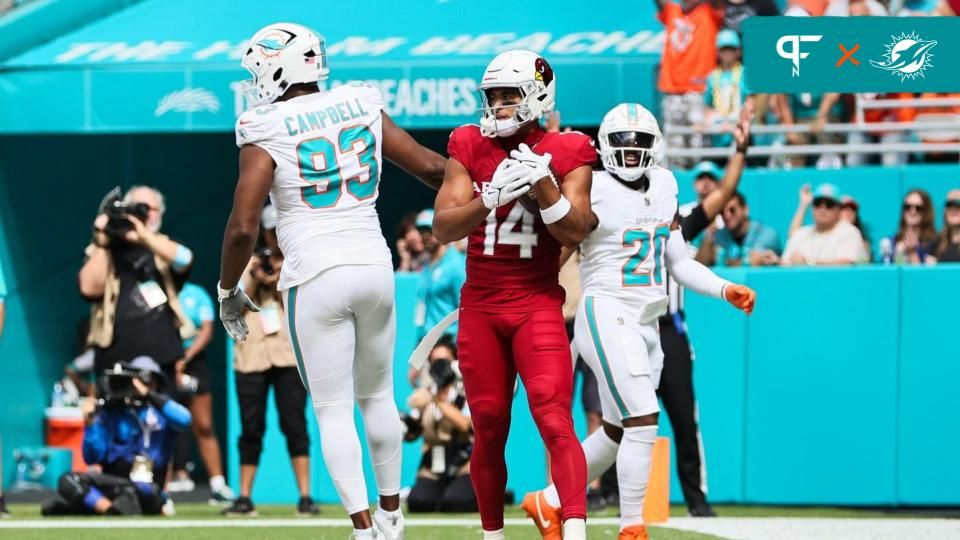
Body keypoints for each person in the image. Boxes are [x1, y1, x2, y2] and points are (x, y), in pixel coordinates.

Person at [216, 22, 446, 540]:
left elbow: (243, 227)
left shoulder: (264, 124)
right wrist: (487, 193)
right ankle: (392, 516)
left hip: (315, 273)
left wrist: (228, 289)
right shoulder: (359, 100)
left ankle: (365, 529)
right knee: (379, 396)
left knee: (334, 408)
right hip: (373, 264)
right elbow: (432, 168)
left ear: (277, 69)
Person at [523, 103, 756, 540]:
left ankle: (549, 500)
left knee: (616, 431)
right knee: (644, 417)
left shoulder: (666, 184)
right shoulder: (589, 184)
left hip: (650, 319)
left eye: (639, 144)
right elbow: (556, 233)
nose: (630, 153)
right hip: (605, 309)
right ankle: (633, 528)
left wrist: (724, 288)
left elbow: (678, 262)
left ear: (655, 147)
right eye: (622, 144)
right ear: (605, 147)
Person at [432, 50, 597, 540]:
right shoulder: (468, 143)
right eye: (494, 97)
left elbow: (577, 230)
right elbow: (442, 227)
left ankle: (575, 531)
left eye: (510, 96)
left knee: (553, 414)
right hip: (481, 305)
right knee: (488, 422)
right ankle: (492, 535)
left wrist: (544, 186)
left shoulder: (569, 149)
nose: (499, 106)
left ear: (539, 96)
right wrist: (491, 198)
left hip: (536, 301)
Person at [223, 204, 318, 517]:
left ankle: (305, 497)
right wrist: (254, 275)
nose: (275, 235)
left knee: (295, 424)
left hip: (288, 356)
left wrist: (279, 278)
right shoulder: (246, 262)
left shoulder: (297, 261)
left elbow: (306, 303)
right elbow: (232, 302)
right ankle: (245, 496)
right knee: (251, 427)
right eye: (270, 229)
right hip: (251, 356)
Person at [41, 357, 191, 516]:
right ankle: (110, 510)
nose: (137, 385)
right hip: (114, 482)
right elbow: (92, 457)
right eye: (134, 380)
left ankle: (88, 507)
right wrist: (90, 423)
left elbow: (185, 419)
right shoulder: (110, 414)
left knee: (139, 490)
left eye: (145, 379)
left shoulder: (162, 413)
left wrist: (148, 394)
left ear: (155, 382)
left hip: (147, 486)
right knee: (69, 481)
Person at [79, 186, 195, 381]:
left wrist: (142, 236)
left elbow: (186, 258)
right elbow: (88, 289)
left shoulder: (164, 246)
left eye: (151, 209)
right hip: (113, 360)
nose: (145, 214)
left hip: (162, 361)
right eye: (139, 208)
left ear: (161, 213)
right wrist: (104, 237)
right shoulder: (105, 249)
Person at [167, 280, 235, 503]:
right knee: (158, 425)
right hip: (163, 362)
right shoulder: (153, 291)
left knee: (204, 425)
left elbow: (207, 330)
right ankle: (159, 487)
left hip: (193, 363)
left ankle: (218, 485)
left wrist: (185, 359)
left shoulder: (196, 293)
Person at [404, 342, 477, 514]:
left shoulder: (467, 391)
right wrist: (405, 424)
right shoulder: (424, 393)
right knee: (419, 502)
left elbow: (466, 425)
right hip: (434, 465)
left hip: (463, 463)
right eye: (435, 360)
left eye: (444, 360)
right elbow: (412, 433)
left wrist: (435, 400)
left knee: (455, 502)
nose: (439, 366)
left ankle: (494, 493)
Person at [654, 0, 724, 168]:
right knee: (673, 145)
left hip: (698, 91)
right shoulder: (673, 10)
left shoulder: (708, 11)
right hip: (672, 91)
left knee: (697, 144)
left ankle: (699, 178)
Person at [414, 208, 466, 345]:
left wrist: (454, 346)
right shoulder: (426, 265)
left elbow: (466, 309)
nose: (425, 236)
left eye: (429, 230)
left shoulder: (456, 264)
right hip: (426, 344)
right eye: (421, 232)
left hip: (448, 345)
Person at [781, 183, 868, 266]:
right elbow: (785, 262)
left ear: (839, 209)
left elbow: (846, 263)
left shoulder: (850, 232)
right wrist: (774, 261)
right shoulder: (801, 233)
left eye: (829, 204)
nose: (823, 208)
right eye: (818, 203)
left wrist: (809, 262)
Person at [708, 192, 782, 266]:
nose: (727, 215)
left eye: (732, 210)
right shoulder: (720, 234)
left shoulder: (767, 234)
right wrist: (709, 233)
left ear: (745, 209)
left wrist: (722, 260)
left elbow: (753, 262)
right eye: (722, 212)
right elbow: (703, 262)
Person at [704, 30, 750, 149]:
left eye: (731, 49)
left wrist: (740, 122)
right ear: (718, 52)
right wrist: (715, 122)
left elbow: (752, 103)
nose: (728, 53)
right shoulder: (712, 76)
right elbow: (707, 107)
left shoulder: (746, 74)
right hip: (718, 136)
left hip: (740, 133)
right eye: (724, 50)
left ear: (738, 51)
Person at [888, 189, 938, 265]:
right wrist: (899, 254)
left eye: (918, 208)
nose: (912, 211)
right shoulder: (892, 241)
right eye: (908, 207)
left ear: (926, 211)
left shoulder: (935, 243)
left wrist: (912, 253)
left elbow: (928, 276)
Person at [839, 195, 872, 261]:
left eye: (853, 208)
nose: (849, 211)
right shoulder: (829, 234)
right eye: (844, 208)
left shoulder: (862, 239)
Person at [932, 190, 960, 262]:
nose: (954, 209)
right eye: (949, 205)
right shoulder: (937, 242)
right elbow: (924, 271)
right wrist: (912, 253)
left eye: (958, 205)